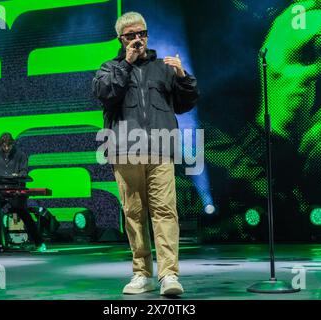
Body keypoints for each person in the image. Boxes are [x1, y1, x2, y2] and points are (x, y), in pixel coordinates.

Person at [92, 12, 199, 296]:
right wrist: (126, 63)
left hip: (160, 149)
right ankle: (141, 273)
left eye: (142, 33)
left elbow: (185, 104)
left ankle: (169, 275)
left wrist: (183, 77)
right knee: (134, 213)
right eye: (131, 36)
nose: (138, 39)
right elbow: (105, 93)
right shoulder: (109, 68)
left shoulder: (163, 68)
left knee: (165, 211)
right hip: (125, 151)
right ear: (121, 39)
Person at [0, 133, 46, 252]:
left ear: (12, 144)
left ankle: (39, 242)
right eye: (4, 146)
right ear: (0, 145)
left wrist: (18, 175)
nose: (6, 148)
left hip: (15, 191)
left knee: (23, 212)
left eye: (9, 146)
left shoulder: (20, 155)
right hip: (0, 192)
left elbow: (24, 171)